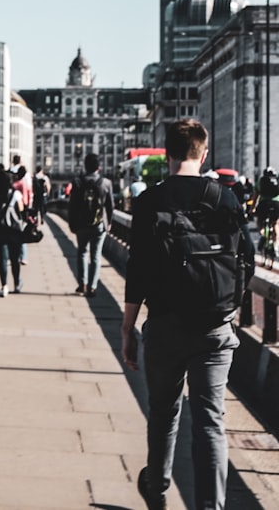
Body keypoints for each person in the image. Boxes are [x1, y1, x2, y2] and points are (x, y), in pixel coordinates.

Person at [121, 119, 254, 510]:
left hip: (165, 325)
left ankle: (158, 486)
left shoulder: (150, 201)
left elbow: (138, 271)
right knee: (211, 421)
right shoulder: (224, 197)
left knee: (164, 410)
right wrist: (229, 307)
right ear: (204, 153)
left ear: (167, 154)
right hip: (214, 326)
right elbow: (244, 258)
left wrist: (128, 328)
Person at [68, 153, 114, 298]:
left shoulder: (77, 182)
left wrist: (72, 223)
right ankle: (93, 287)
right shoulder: (105, 183)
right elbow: (110, 206)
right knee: (96, 256)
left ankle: (82, 284)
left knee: (82, 252)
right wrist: (109, 222)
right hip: (99, 224)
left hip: (81, 225)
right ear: (98, 167)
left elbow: (72, 205)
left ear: (85, 166)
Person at [0, 169, 24, 297]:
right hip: (14, 230)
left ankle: (4, 286)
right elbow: (21, 210)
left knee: (3, 259)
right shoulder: (16, 194)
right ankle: (17, 284)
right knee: (15, 258)